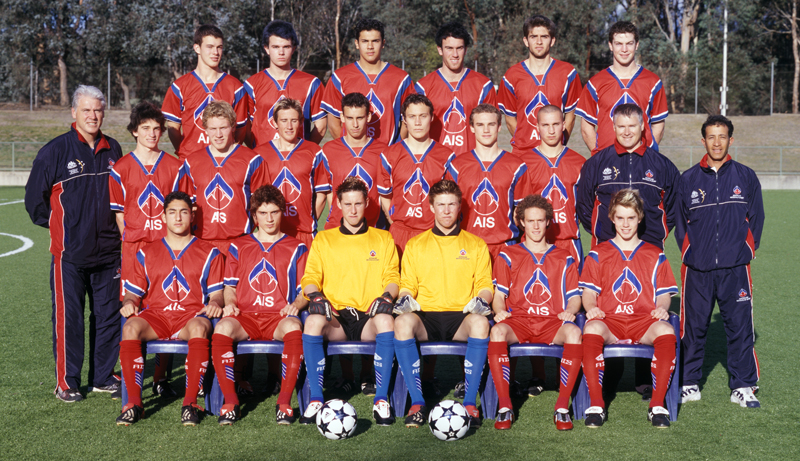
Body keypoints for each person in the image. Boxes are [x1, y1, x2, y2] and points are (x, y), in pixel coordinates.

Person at [26, 85, 123, 402]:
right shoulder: (54, 152)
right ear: (73, 113)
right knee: (69, 320)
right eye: (86, 110)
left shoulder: (114, 150)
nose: (93, 116)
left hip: (110, 253)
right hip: (69, 256)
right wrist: (63, 229)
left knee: (109, 317)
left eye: (98, 110)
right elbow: (35, 204)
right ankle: (67, 383)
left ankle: (103, 376)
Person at [675, 115, 764, 408]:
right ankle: (689, 383)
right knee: (693, 328)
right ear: (703, 141)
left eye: (722, 136)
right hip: (697, 270)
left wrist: (745, 252)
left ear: (731, 140)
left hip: (735, 268)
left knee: (739, 327)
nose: (716, 142)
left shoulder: (746, 176)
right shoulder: (687, 179)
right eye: (711, 137)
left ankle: (743, 385)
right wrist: (690, 254)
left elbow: (757, 218)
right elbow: (679, 222)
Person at [116, 191, 224, 426]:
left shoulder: (210, 252)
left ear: (191, 216)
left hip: (190, 316)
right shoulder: (146, 252)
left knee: (199, 327)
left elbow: (216, 294)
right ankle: (133, 404)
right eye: (172, 212)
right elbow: (133, 292)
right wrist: (128, 303)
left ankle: (190, 404)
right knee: (131, 327)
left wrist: (215, 303)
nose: (178, 218)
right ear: (163, 217)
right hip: (157, 316)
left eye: (183, 212)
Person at [299, 177, 400, 426]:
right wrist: (315, 296)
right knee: (312, 322)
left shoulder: (383, 238)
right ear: (339, 205)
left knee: (387, 321)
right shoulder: (324, 239)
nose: (353, 210)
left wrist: (387, 296)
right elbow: (310, 278)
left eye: (358, 203)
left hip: (369, 317)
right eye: (347, 204)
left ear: (366, 203)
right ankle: (315, 398)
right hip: (337, 319)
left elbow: (393, 277)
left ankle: (381, 398)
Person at [393, 179, 493, 427]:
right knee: (403, 322)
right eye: (441, 205)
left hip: (461, 316)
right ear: (431, 207)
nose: (446, 210)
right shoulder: (416, 244)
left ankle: (470, 404)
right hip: (426, 316)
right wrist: (406, 298)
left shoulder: (476, 244)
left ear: (459, 207)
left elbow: (484, 285)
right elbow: (407, 284)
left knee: (481, 323)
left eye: (451, 204)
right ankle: (417, 403)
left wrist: (482, 300)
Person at [579, 189, 679, 428]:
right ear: (612, 218)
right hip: (610, 321)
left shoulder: (655, 254)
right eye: (620, 218)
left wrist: (662, 308)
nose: (625, 224)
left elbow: (663, 294)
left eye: (631, 218)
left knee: (666, 331)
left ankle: (657, 405)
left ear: (640, 218)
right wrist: (591, 307)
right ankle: (596, 404)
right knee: (591, 328)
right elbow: (588, 294)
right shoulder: (597, 253)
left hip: (642, 321)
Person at [211, 185, 308, 425]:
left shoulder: (297, 247)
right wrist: (231, 303)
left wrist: (296, 304)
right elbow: (229, 287)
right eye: (263, 213)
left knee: (294, 328)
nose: (269, 218)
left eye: (274, 212)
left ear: (282, 212)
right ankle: (231, 403)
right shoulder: (238, 245)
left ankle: (284, 403)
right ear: (254, 216)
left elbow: (306, 290)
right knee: (222, 328)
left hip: (278, 316)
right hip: (246, 316)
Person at [488, 195, 582, 431]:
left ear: (548, 221)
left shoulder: (565, 257)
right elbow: (498, 297)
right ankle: (505, 406)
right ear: (521, 222)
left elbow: (574, 297)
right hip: (519, 321)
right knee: (497, 332)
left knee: (574, 334)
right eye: (531, 221)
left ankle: (561, 408)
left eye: (541, 220)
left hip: (552, 322)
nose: (536, 226)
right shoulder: (508, 255)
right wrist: (499, 312)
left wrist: (570, 312)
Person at [109, 101, 183, 397]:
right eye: (146, 129)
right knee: (132, 310)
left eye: (157, 129)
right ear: (134, 132)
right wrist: (133, 244)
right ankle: (133, 380)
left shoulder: (175, 166)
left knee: (166, 308)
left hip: (167, 250)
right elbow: (119, 215)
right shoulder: (121, 168)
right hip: (135, 249)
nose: (152, 134)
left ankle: (162, 376)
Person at [577, 103, 679, 251]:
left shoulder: (662, 165)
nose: (626, 132)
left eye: (632, 126)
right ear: (613, 127)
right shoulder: (596, 163)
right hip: (607, 248)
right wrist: (601, 231)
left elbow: (674, 208)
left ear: (643, 126)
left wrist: (656, 233)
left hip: (650, 248)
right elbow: (584, 206)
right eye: (621, 127)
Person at [176, 100, 268, 258]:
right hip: (201, 242)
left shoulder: (253, 160)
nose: (218, 134)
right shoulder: (191, 162)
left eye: (223, 128)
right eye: (213, 129)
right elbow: (184, 205)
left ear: (233, 127)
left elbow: (264, 205)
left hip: (241, 242)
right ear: (205, 130)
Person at [445, 104, 528, 260]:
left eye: (491, 124)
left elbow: (521, 211)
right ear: (471, 128)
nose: (486, 130)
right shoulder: (457, 166)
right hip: (467, 245)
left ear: (499, 127)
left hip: (505, 245)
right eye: (480, 125)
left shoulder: (516, 165)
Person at [575, 21, 668, 155]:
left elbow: (658, 124)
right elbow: (586, 127)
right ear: (610, 46)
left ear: (637, 45)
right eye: (618, 44)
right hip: (607, 161)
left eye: (629, 43)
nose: (624, 49)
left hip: (642, 160)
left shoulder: (653, 81)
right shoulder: (595, 83)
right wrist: (599, 156)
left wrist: (648, 154)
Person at [379, 94, 456, 255]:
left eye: (423, 116)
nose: (418, 122)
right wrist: (395, 221)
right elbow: (385, 196)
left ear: (432, 117)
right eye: (412, 116)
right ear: (404, 120)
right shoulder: (389, 155)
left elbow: (451, 199)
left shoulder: (446, 156)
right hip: (400, 233)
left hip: (433, 233)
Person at [321, 18, 415, 145]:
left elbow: (409, 119)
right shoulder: (339, 77)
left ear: (383, 43)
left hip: (387, 155)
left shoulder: (401, 78)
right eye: (365, 41)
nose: (370, 46)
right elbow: (333, 123)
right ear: (357, 43)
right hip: (353, 156)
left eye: (375, 41)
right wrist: (348, 150)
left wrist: (396, 147)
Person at [498, 15, 582, 155]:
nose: (538, 42)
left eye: (544, 36)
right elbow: (510, 119)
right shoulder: (511, 76)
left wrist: (556, 144)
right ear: (526, 41)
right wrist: (527, 144)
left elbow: (570, 116)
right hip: (523, 154)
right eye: (533, 37)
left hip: (555, 153)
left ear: (552, 41)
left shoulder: (567, 73)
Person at [162, 25, 248, 160]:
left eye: (219, 47)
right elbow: (173, 128)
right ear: (197, 48)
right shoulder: (179, 86)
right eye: (210, 47)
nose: (215, 52)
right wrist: (185, 151)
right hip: (191, 161)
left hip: (224, 161)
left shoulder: (235, 86)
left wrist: (228, 153)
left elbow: (241, 129)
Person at [414, 21, 496, 153]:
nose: (455, 54)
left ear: (466, 49)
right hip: (436, 162)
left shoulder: (483, 85)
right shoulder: (423, 87)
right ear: (440, 50)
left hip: (471, 163)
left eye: (459, 48)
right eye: (449, 48)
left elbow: (492, 129)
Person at [254, 98, 327, 247]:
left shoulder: (314, 151)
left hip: (303, 233)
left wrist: (309, 221)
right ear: (275, 123)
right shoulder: (259, 154)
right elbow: (255, 196)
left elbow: (321, 194)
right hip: (271, 234)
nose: (289, 126)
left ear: (300, 122)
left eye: (294, 120)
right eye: (284, 120)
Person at [244, 20, 326, 146]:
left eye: (286, 47)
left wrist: (304, 151)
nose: (281, 52)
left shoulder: (311, 83)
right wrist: (258, 152)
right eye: (275, 47)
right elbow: (245, 129)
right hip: (263, 160)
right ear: (266, 49)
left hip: (298, 161)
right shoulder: (251, 84)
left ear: (293, 49)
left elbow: (321, 125)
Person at [523, 105, 586, 266]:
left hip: (568, 242)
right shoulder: (524, 162)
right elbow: (520, 207)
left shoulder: (579, 162)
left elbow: (584, 206)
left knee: (573, 291)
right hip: (534, 244)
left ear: (563, 125)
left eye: (556, 124)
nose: (551, 130)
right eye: (545, 125)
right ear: (537, 127)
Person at [319, 92, 388, 229]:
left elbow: (386, 195)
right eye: (350, 118)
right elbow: (326, 191)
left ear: (368, 117)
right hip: (336, 228)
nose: (355, 124)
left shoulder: (384, 151)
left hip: (371, 229)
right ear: (342, 117)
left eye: (360, 118)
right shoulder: (329, 150)